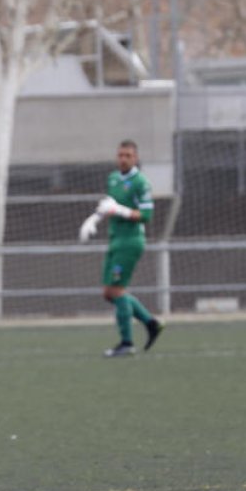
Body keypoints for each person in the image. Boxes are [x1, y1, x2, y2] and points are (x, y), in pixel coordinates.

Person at [79, 139, 165, 357]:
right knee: (109, 292)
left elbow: (145, 216)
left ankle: (127, 343)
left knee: (116, 291)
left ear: (135, 158)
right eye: (120, 155)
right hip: (115, 239)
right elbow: (109, 205)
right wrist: (93, 220)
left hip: (131, 241)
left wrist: (119, 210)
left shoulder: (141, 183)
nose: (123, 159)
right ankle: (150, 323)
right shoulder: (114, 178)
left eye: (128, 155)